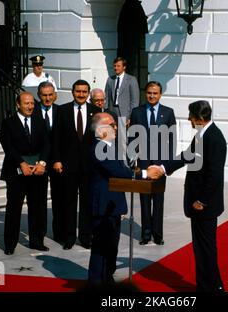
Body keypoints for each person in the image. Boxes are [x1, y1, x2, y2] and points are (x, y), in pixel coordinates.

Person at [148, 100, 227, 292]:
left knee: (206, 249)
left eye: (191, 115)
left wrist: (203, 200)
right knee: (200, 249)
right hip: (197, 203)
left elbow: (214, 175)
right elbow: (187, 155)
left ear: (200, 118)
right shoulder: (201, 135)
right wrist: (163, 168)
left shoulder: (214, 138)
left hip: (204, 205)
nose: (188, 119)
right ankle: (205, 286)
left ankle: (214, 287)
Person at [88, 112, 145, 284]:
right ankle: (97, 280)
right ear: (101, 129)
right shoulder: (99, 148)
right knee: (101, 246)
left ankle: (107, 276)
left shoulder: (110, 146)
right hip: (103, 205)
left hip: (113, 204)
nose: (115, 128)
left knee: (112, 245)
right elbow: (118, 171)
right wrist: (144, 173)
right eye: (112, 125)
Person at [52, 80, 101, 250]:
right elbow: (56, 138)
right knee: (69, 202)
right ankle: (69, 237)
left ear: (88, 94)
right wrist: (57, 160)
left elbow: (100, 139)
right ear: (73, 92)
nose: (81, 94)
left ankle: (86, 237)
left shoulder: (96, 111)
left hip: (89, 167)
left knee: (87, 202)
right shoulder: (62, 110)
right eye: (78, 91)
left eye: (84, 92)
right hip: (68, 165)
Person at [0, 92, 50, 255]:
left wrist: (42, 163)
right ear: (18, 105)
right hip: (16, 173)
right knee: (14, 208)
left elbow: (46, 144)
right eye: (26, 103)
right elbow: (8, 146)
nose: (30, 106)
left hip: (37, 173)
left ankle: (37, 241)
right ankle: (10, 244)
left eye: (32, 104)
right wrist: (21, 163)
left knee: (38, 208)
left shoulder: (40, 121)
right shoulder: (8, 123)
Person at [129, 81, 176, 245]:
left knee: (158, 200)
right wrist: (132, 160)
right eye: (149, 92)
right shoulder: (137, 112)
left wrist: (168, 166)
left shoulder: (168, 113)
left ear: (160, 94)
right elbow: (132, 138)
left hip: (160, 164)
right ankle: (146, 234)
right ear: (145, 93)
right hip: (142, 163)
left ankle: (158, 234)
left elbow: (172, 140)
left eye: (155, 93)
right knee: (144, 200)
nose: (152, 96)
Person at [33, 81, 64, 244]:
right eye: (44, 95)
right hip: (38, 162)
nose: (47, 98)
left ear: (55, 95)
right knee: (39, 200)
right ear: (39, 96)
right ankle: (39, 236)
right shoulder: (33, 111)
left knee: (59, 200)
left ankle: (59, 234)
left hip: (57, 162)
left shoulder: (61, 111)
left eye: (50, 95)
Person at [104, 56, 139, 125]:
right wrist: (106, 111)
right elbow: (106, 97)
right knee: (112, 133)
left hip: (125, 112)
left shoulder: (131, 80)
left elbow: (134, 101)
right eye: (114, 66)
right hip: (112, 111)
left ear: (124, 67)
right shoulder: (110, 79)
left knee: (122, 134)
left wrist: (130, 116)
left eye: (118, 66)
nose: (116, 68)